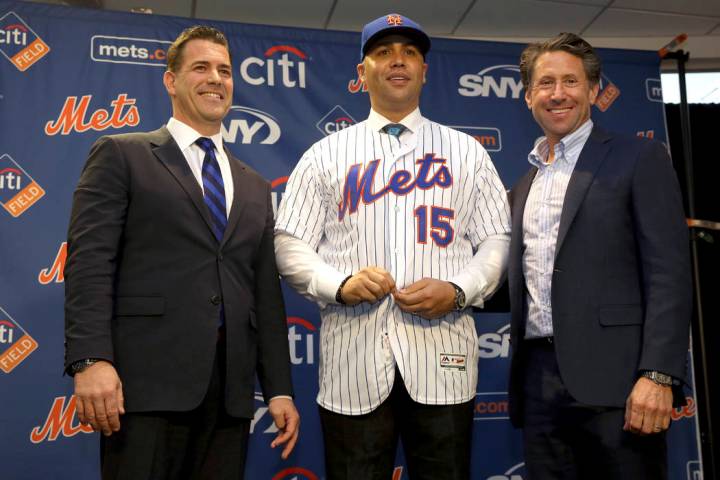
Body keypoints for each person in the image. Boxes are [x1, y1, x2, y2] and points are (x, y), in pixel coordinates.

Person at [274, 13, 510, 480]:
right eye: (382, 52)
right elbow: (289, 243)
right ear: (362, 74)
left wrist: (459, 289)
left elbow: (495, 241)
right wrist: (338, 283)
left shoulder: (467, 152)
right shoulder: (324, 154)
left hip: (444, 359)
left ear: (424, 70)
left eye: (409, 53)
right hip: (353, 362)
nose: (396, 61)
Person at [64, 25, 299, 479]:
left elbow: (264, 294)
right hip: (143, 387)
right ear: (171, 81)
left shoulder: (253, 182)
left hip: (229, 397)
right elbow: (90, 264)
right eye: (201, 68)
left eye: (225, 70)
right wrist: (91, 360)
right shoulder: (122, 154)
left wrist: (279, 390)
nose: (216, 78)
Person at [507, 32, 692, 479]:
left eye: (570, 81)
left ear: (592, 91)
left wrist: (659, 375)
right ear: (529, 95)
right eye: (545, 83)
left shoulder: (639, 157)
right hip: (538, 382)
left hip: (621, 381)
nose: (557, 94)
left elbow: (669, 273)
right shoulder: (523, 183)